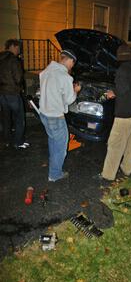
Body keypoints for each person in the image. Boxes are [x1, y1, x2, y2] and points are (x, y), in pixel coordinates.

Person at [100, 44, 131, 181]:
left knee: (115, 145)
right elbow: (130, 87)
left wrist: (112, 92)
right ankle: (127, 169)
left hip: (125, 115)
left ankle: (108, 175)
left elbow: (122, 89)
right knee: (130, 144)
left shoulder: (122, 70)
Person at [39, 49, 81, 182]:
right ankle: (55, 175)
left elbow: (51, 91)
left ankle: (53, 168)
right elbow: (69, 100)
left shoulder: (46, 71)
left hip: (44, 113)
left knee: (53, 142)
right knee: (61, 146)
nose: (71, 67)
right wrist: (75, 90)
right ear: (70, 60)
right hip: (55, 116)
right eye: (72, 64)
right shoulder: (65, 77)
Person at [0, 38, 29, 149]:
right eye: (17, 48)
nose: (19, 50)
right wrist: (20, 86)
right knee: (19, 118)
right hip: (12, 93)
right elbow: (18, 78)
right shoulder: (13, 59)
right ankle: (18, 142)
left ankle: (6, 140)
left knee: (6, 117)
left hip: (1, 93)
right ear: (12, 46)